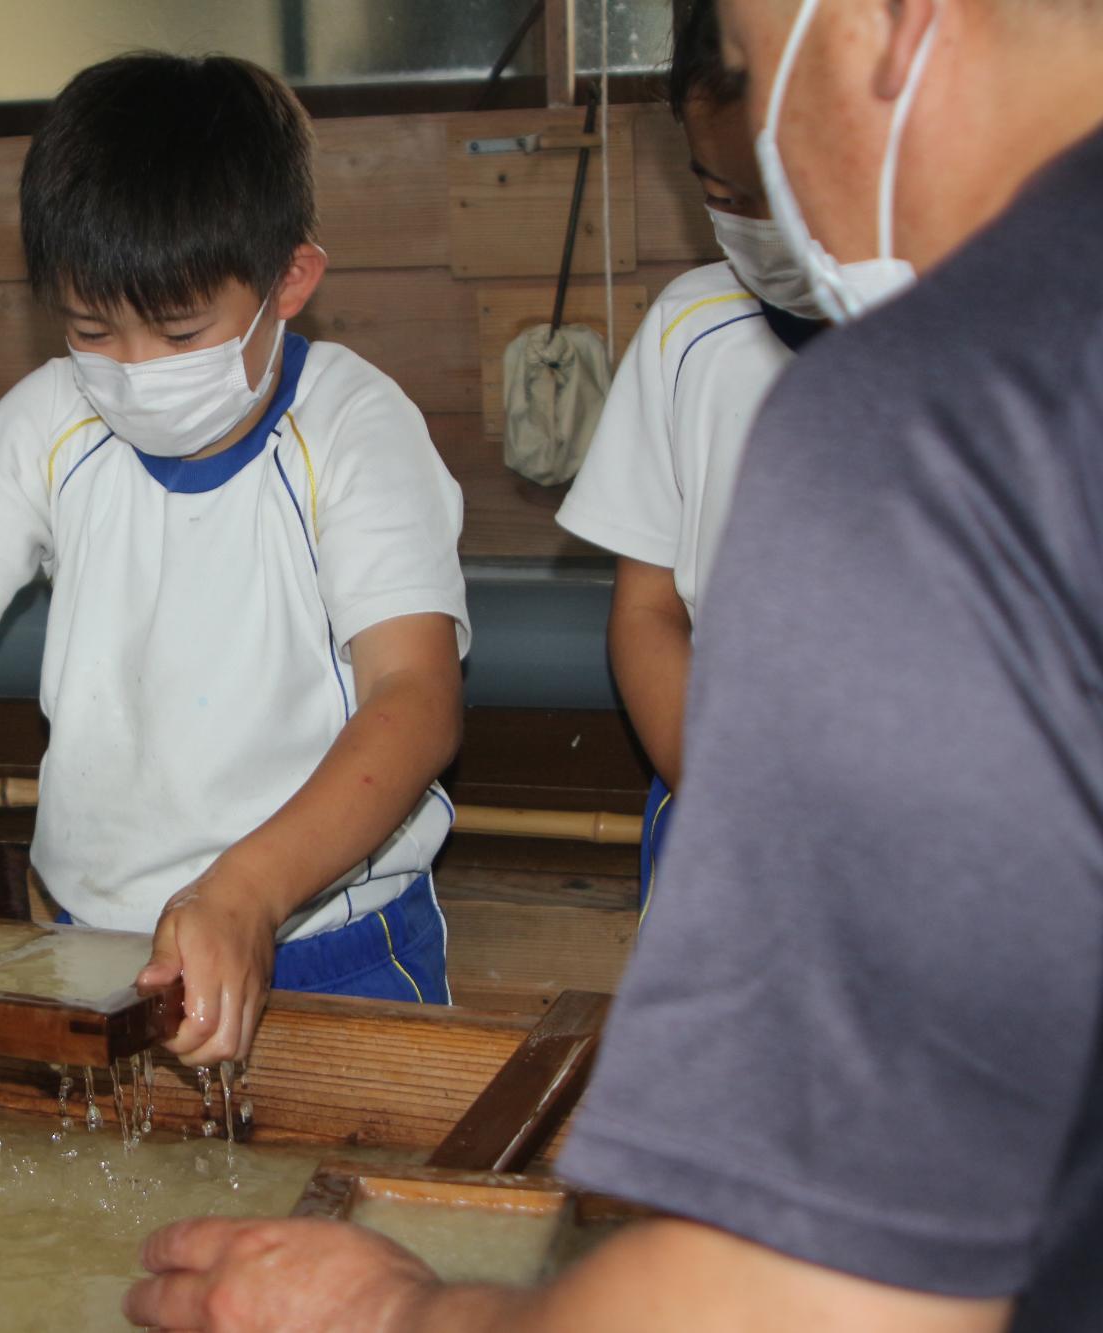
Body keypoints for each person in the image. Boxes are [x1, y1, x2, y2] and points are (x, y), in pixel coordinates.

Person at [127, 0, 1103, 1326]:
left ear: (889, 21)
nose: (763, 143)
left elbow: (809, 1297)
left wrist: (389, 1314)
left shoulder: (949, 416)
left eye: (754, 72)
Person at [0, 53, 471, 1067]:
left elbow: (414, 699)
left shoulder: (355, 430)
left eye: (179, 333)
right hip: (85, 948)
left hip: (326, 939)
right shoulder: (53, 418)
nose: (132, 372)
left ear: (289, 281)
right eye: (91, 329)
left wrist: (246, 889)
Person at [554, 0, 826, 914]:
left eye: (783, 194)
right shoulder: (690, 330)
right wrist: (722, 792)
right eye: (719, 193)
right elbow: (647, 608)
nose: (753, 223)